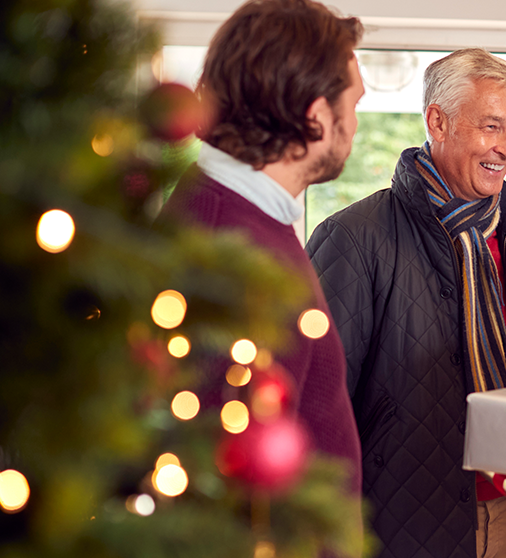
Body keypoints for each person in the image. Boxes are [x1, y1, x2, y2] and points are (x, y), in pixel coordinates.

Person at [305, 48, 506, 558]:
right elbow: (316, 410)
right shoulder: (353, 238)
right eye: (491, 126)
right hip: (405, 523)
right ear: (437, 121)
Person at [156, 0, 364, 503]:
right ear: (316, 117)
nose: (355, 124)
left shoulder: (234, 214)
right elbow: (218, 493)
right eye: (354, 105)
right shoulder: (230, 255)